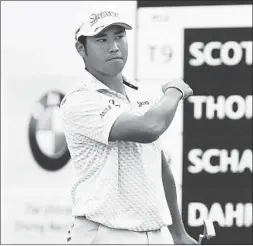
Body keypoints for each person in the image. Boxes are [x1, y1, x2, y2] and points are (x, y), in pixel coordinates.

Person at [60, 4, 197, 244]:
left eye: (119, 37)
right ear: (81, 48)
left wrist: (177, 232)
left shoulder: (144, 94)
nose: (114, 47)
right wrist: (175, 91)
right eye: (101, 40)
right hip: (103, 234)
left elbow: (161, 168)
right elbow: (149, 129)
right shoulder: (79, 99)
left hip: (154, 235)